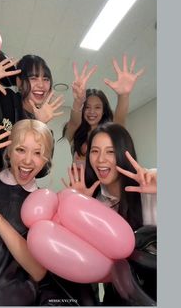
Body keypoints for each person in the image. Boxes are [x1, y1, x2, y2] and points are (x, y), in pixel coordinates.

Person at [0, 120, 98, 306]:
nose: (28, 160)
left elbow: (37, 271)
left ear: (46, 159)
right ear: (8, 151)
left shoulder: (46, 207)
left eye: (38, 153)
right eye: (20, 149)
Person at [63, 122, 157, 305]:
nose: (100, 160)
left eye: (110, 151)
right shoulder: (96, 202)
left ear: (124, 152)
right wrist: (81, 207)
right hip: (117, 297)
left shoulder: (150, 186)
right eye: (95, 151)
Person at [0, 52, 64, 174]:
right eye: (33, 78)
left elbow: (42, 171)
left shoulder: (43, 124)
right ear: (19, 82)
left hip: (3, 188)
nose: (41, 85)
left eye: (45, 79)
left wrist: (40, 126)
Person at [61, 55, 144, 168]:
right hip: (77, 185)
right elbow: (75, 121)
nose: (92, 112)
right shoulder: (74, 131)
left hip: (106, 185)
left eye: (97, 107)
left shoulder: (110, 131)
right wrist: (78, 101)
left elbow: (120, 119)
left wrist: (124, 95)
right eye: (87, 107)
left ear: (104, 110)